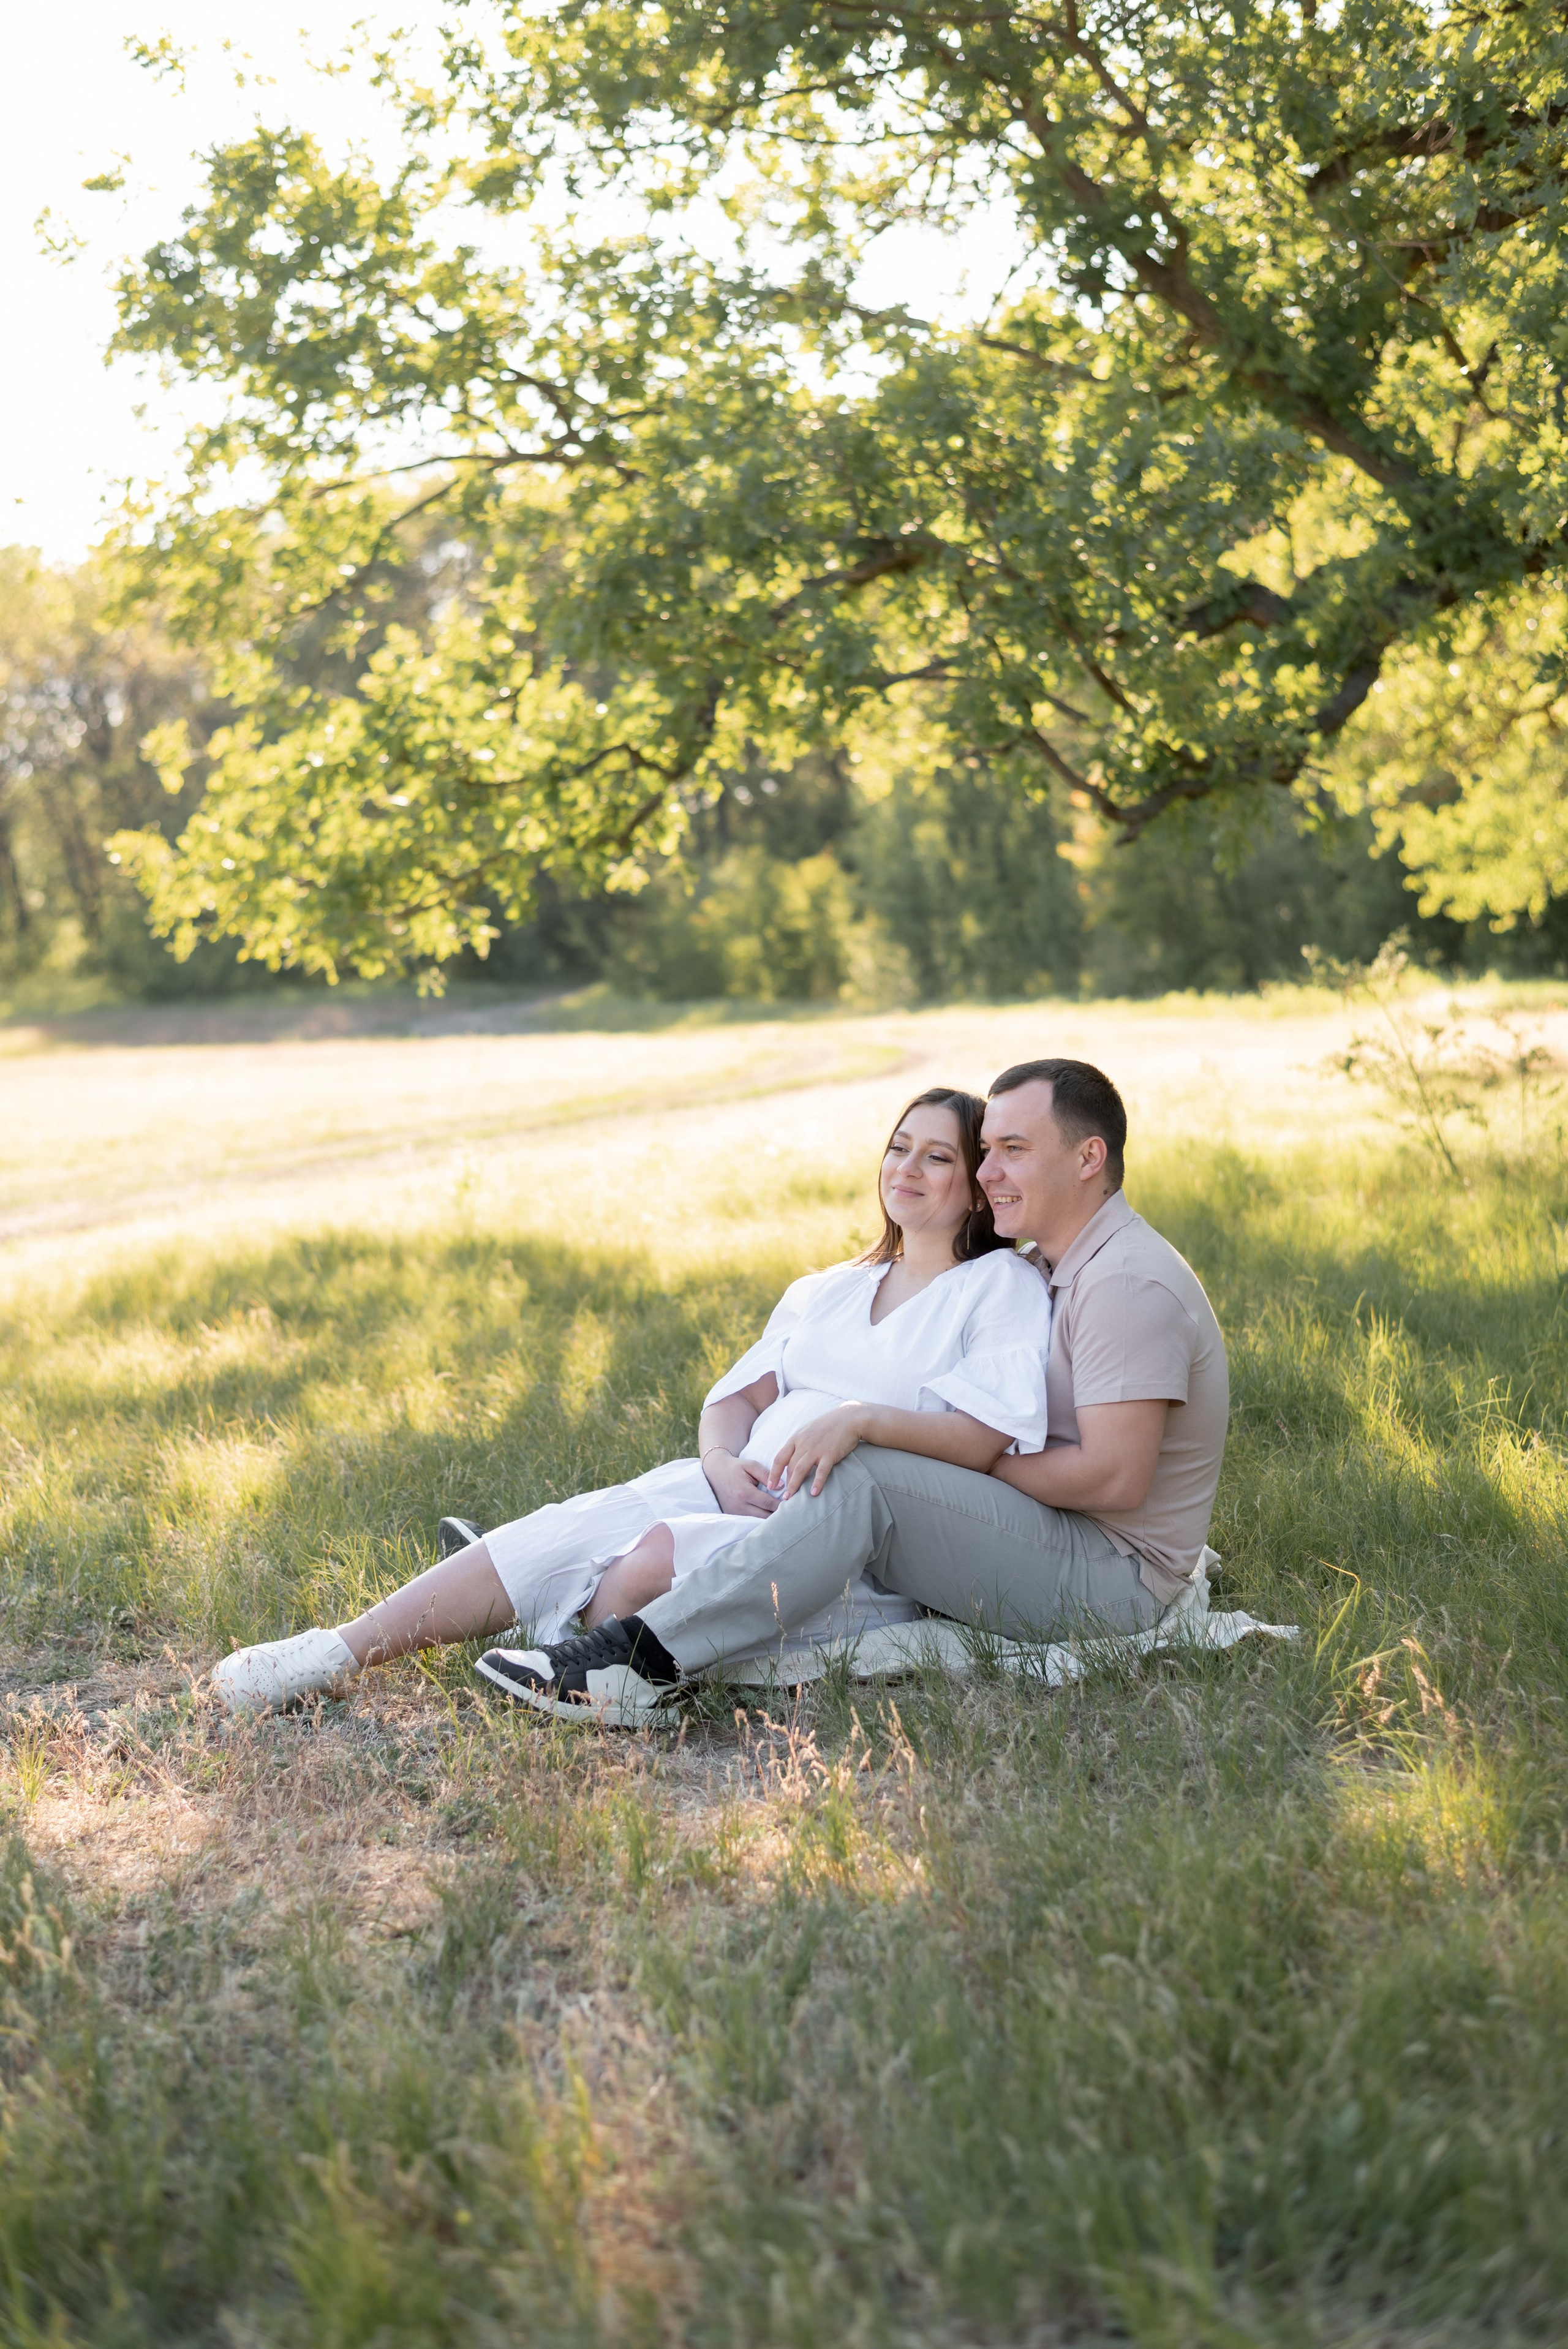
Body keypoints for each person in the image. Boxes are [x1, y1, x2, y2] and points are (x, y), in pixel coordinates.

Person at [211, 1088, 1053, 1715]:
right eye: (898, 1146)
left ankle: (560, 1640)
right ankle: (330, 1653)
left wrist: (858, 1420)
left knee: (648, 1558)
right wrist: (722, 1465)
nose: (906, 1167)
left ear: (978, 1189)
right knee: (565, 1527)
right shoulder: (832, 1285)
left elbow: (984, 1440)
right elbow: (735, 1399)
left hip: (836, 1540)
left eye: (937, 1156)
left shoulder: (997, 1287)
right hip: (732, 1487)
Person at [483, 1057, 1229, 1725]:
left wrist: (952, 1452)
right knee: (866, 1466)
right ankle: (564, 1587)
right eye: (986, 1150)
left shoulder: (1124, 1282)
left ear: (1088, 1156)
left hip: (1112, 1579)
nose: (988, 1171)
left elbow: (1115, 1477)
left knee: (869, 1471)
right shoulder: (1059, 1264)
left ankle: (641, 1662)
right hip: (1053, 1533)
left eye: (1013, 1150)